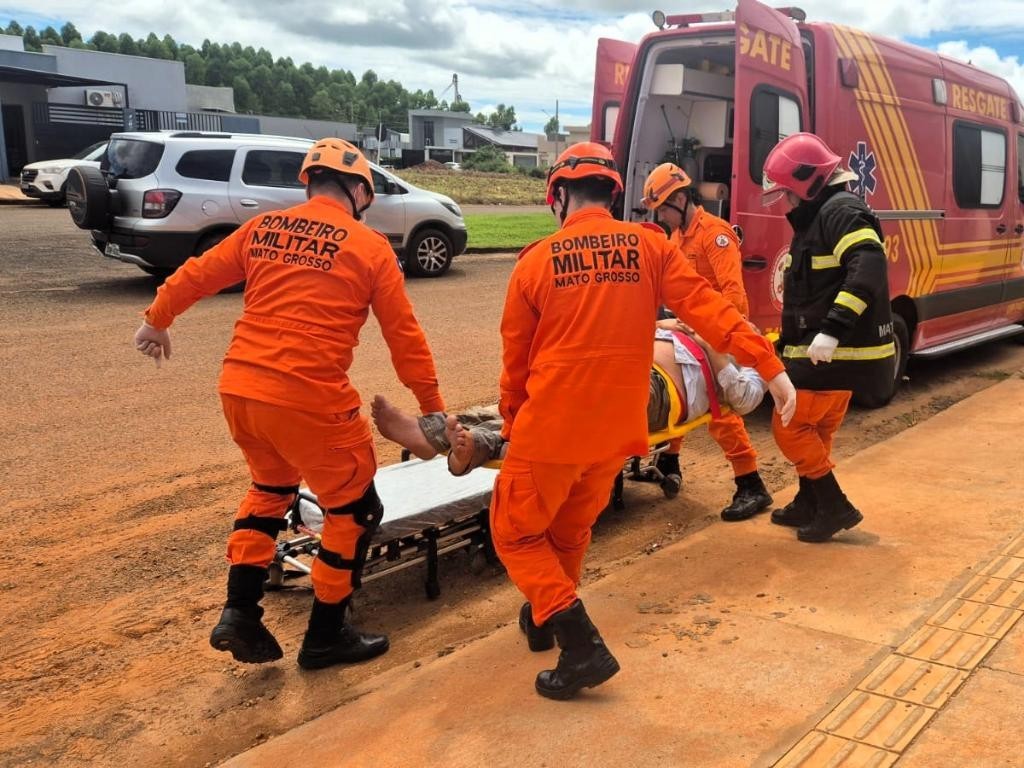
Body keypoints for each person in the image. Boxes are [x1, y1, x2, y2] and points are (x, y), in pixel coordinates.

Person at [485, 141, 795, 701]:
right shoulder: (651, 249)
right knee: (571, 530)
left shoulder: (535, 261)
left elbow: (516, 360)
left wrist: (511, 423)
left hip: (551, 428)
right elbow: (712, 311)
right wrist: (768, 365)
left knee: (513, 531)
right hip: (617, 431)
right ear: (615, 194)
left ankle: (577, 642)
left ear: (558, 196)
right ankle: (545, 616)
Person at [132, 138, 445, 669]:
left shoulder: (264, 228)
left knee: (270, 487)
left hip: (241, 390)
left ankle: (240, 612)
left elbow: (198, 274)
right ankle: (325, 636)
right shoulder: (369, 248)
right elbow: (404, 336)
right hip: (308, 398)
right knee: (354, 510)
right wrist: (431, 407)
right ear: (359, 190)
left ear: (309, 182)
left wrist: (156, 320)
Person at [371, 326, 768, 475]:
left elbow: (745, 400)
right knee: (538, 397)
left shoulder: (754, 356)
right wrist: (672, 326)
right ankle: (439, 433)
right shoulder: (685, 322)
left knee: (566, 419)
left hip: (657, 392)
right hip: (624, 366)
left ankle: (470, 445)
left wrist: (713, 345)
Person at [761, 132, 894, 543]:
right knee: (817, 429)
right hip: (832, 353)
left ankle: (834, 504)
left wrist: (832, 331)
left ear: (808, 183)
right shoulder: (825, 214)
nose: (787, 202)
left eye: (788, 193)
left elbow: (868, 266)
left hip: (840, 351)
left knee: (790, 425)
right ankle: (809, 502)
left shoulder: (841, 212)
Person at [641, 162, 772, 520]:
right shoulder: (676, 237)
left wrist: (708, 335)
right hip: (691, 331)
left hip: (718, 333)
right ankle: (670, 458)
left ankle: (751, 484)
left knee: (716, 408)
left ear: (681, 199)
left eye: (664, 209)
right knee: (680, 392)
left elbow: (735, 297)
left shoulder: (715, 235)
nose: (662, 217)